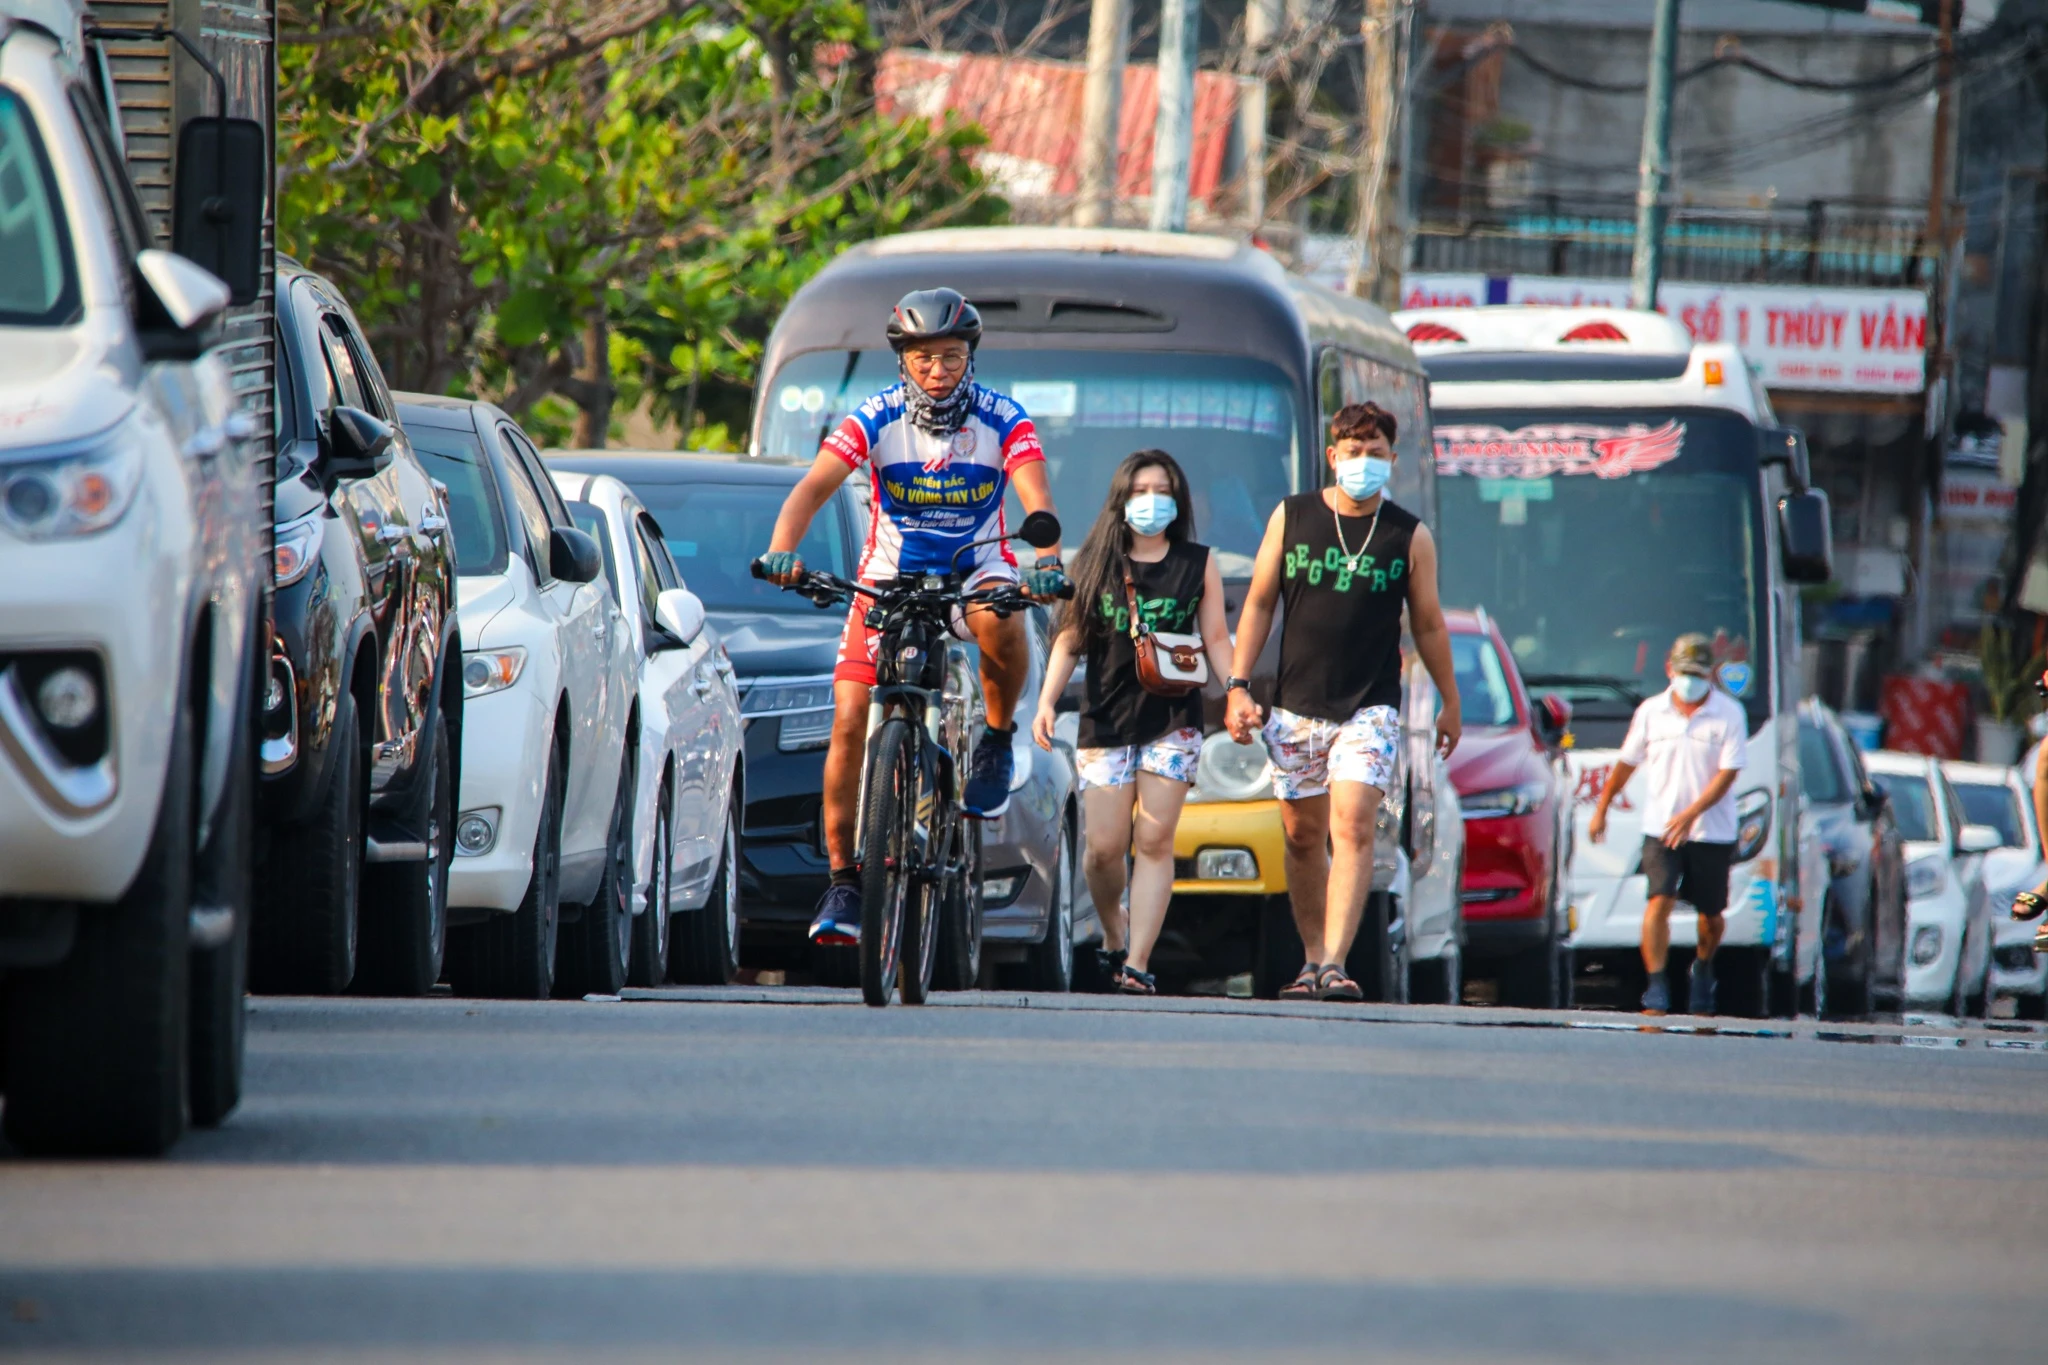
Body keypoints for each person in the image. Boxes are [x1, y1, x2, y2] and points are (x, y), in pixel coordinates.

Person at [760, 288, 1067, 946]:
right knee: (846, 720)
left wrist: (1045, 556)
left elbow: (1036, 495)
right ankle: (845, 881)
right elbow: (810, 490)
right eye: (925, 358)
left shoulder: (1004, 417)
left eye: (951, 357)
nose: (938, 371)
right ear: (903, 360)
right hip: (888, 579)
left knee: (1000, 617)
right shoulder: (872, 418)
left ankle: (991, 736)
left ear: (970, 358)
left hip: (974, 566)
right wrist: (784, 549)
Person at [1224, 402, 1461, 1002]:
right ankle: (1310, 960)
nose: (1364, 463)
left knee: (1352, 824)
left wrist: (1449, 701)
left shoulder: (1410, 535)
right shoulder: (1293, 516)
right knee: (1303, 835)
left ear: (1393, 460)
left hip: (1370, 706)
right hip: (1296, 703)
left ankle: (1335, 962)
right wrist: (1237, 684)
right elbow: (1257, 602)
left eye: (1376, 454)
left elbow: (1429, 626)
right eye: (1353, 453)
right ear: (1332, 457)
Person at [1030, 451, 1235, 994]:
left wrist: (1235, 690)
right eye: (1141, 490)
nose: (1152, 501)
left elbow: (1215, 637)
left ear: (1178, 499)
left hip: (1173, 718)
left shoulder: (1198, 562)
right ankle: (1114, 931)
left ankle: (1138, 963)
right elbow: (1070, 638)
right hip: (1106, 717)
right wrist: (1048, 701)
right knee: (1102, 847)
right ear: (1122, 500)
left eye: (1162, 490)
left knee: (1154, 839)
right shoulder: (1096, 560)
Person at [1587, 635, 1746, 1015]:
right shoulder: (1651, 712)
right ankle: (1656, 985)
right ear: (1669, 670)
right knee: (1659, 899)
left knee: (1710, 915)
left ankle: (1704, 968)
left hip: (1711, 831)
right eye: (1684, 672)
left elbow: (1728, 774)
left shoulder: (1729, 714)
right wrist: (1603, 806)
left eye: (1698, 673)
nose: (1690, 680)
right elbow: (1627, 762)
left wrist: (1691, 815)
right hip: (1660, 828)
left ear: (1711, 674)